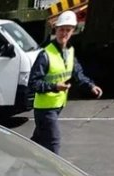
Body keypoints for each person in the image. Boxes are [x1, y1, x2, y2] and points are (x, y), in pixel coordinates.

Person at [28, 10, 103, 156]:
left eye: (68, 30)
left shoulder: (70, 52)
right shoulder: (45, 54)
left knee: (38, 140)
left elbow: (77, 74)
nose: (64, 34)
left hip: (57, 107)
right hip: (44, 109)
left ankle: (20, 162)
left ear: (73, 31)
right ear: (56, 30)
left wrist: (90, 86)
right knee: (53, 143)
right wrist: (55, 87)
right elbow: (33, 83)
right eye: (62, 30)